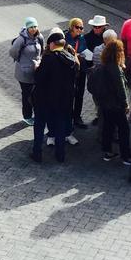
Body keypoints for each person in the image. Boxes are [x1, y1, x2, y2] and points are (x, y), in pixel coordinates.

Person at [31, 27, 78, 163]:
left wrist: (36, 69)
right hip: (63, 101)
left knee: (39, 126)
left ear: (52, 44)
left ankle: (37, 153)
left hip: (45, 100)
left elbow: (39, 78)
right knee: (60, 127)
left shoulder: (48, 59)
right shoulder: (71, 60)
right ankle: (60, 154)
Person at [94, 40, 131, 164]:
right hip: (116, 105)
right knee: (124, 130)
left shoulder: (103, 66)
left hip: (105, 104)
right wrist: (125, 103)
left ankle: (108, 152)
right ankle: (126, 156)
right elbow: (120, 88)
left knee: (108, 127)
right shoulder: (115, 68)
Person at [9, 17, 44, 125]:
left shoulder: (39, 37)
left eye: (35, 26)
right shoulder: (21, 39)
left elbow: (42, 50)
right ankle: (27, 116)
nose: (33, 29)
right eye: (31, 27)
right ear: (27, 28)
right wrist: (23, 63)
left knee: (36, 94)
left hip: (36, 71)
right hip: (24, 74)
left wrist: (39, 60)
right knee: (27, 95)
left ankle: (36, 114)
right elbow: (13, 52)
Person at [64, 18, 89, 129]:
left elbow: (84, 50)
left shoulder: (82, 39)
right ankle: (68, 116)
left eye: (81, 28)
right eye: (77, 27)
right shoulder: (64, 37)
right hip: (68, 71)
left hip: (80, 69)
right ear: (71, 27)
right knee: (69, 95)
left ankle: (77, 117)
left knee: (79, 94)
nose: (79, 30)